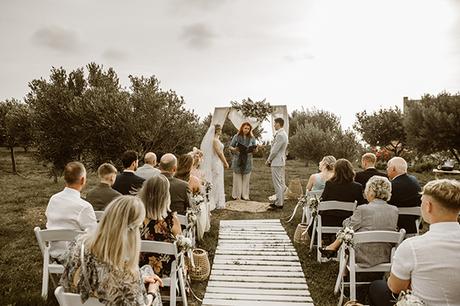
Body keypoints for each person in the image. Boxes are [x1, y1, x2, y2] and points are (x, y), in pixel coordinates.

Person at [369, 179, 460, 306]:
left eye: (421, 202)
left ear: (428, 206)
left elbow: (395, 288)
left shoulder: (412, 247)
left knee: (377, 286)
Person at [60, 195, 163, 305]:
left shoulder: (78, 245)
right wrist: (152, 292)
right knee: (152, 281)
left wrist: (140, 279)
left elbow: (96, 280)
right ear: (133, 231)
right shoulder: (126, 273)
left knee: (146, 271)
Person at [319, 176, 399, 268]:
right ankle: (332, 248)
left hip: (363, 256)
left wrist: (347, 220)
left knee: (349, 232)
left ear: (371, 192)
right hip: (386, 256)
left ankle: (344, 274)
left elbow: (348, 226)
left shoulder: (363, 209)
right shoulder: (394, 210)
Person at [46, 161, 97, 262]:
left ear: (65, 179)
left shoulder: (53, 199)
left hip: (55, 255)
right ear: (83, 180)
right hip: (77, 259)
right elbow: (94, 236)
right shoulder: (84, 207)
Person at [138, 175, 182, 277]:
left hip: (139, 268)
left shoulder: (136, 218)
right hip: (165, 270)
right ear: (166, 195)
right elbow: (179, 242)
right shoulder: (171, 220)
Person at [320, 159, 366, 226]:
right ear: (350, 170)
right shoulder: (357, 187)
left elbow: (323, 201)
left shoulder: (329, 184)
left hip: (328, 221)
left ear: (335, 171)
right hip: (348, 222)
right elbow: (361, 205)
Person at [386, 157, 421, 234]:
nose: (387, 169)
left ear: (393, 169)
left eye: (388, 167)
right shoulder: (414, 180)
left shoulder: (391, 186)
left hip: (395, 226)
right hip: (413, 224)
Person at [200, 124, 229, 210]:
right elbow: (219, 153)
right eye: (220, 130)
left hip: (217, 162)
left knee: (218, 180)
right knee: (216, 180)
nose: (221, 131)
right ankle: (215, 201)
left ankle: (217, 200)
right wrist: (225, 162)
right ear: (217, 130)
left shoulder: (216, 140)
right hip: (216, 162)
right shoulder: (215, 141)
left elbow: (221, 152)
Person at [229, 122, 258, 200]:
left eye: (248, 129)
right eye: (245, 128)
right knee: (237, 178)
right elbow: (230, 146)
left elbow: (255, 149)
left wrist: (255, 150)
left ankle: (245, 195)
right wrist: (234, 149)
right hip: (238, 158)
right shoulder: (236, 136)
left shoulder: (252, 138)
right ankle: (237, 195)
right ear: (242, 128)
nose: (246, 130)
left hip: (248, 159)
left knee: (246, 178)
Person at [266, 118, 289, 210]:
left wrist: (269, 160)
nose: (274, 125)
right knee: (280, 182)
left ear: (278, 124)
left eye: (275, 123)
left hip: (277, 161)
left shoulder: (280, 135)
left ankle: (279, 203)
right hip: (280, 161)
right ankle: (279, 201)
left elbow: (275, 150)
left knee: (277, 183)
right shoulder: (283, 134)